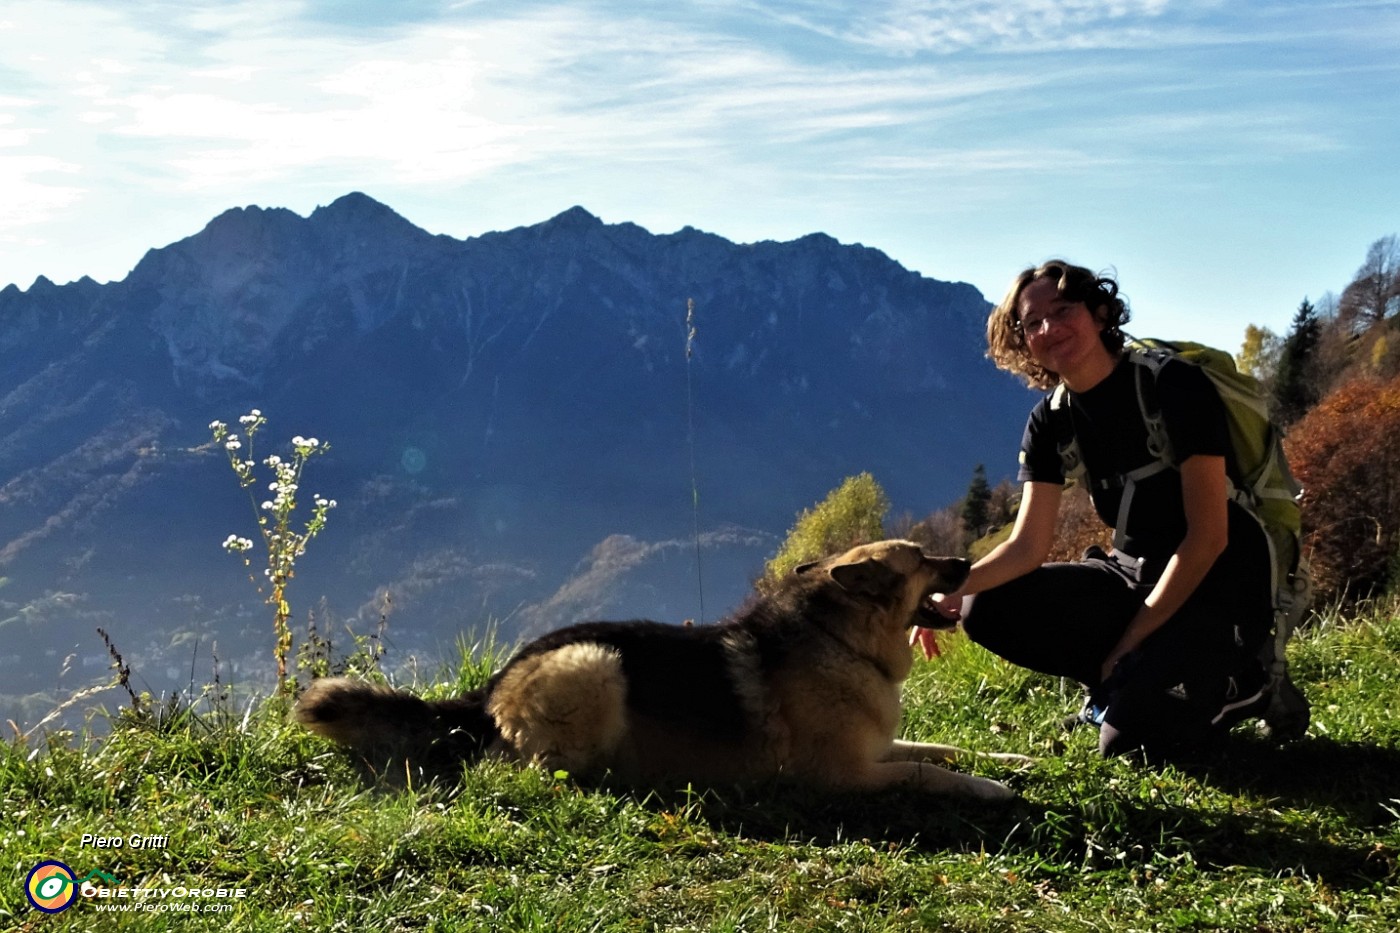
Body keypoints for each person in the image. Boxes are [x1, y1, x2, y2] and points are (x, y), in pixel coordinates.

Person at [916, 260, 1273, 760]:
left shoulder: (1173, 387)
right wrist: (941, 588)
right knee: (986, 605)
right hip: (1132, 574)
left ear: (1101, 312)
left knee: (1131, 746)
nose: (1049, 328)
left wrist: (1130, 638)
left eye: (1063, 311)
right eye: (1033, 323)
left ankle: (1244, 682)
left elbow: (1208, 537)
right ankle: (1117, 684)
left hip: (1219, 585)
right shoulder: (1051, 420)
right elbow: (1026, 547)